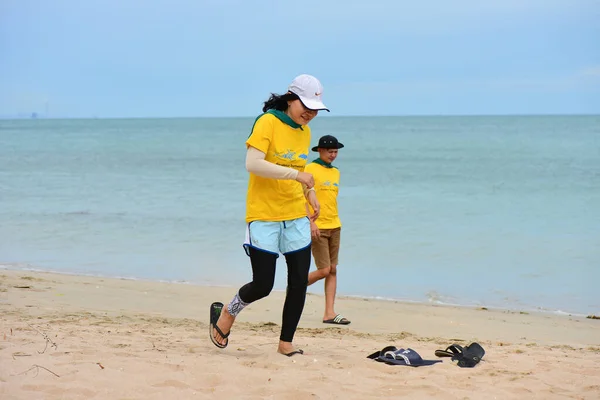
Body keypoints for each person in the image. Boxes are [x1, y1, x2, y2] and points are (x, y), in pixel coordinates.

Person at [209, 74, 329, 356]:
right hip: (264, 214)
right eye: (306, 106)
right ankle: (228, 311)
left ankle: (285, 343)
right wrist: (297, 174)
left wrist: (308, 192)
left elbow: (298, 171)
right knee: (263, 284)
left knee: (298, 282)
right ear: (291, 98)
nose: (310, 113)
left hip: (295, 215)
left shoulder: (305, 132)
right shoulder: (267, 122)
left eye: (315, 109)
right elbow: (253, 164)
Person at [304, 135, 350, 325]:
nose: (333, 155)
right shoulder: (309, 169)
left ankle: (329, 313)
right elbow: (302, 196)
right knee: (323, 270)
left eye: (336, 152)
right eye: (330, 151)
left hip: (335, 225)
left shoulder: (336, 172)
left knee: (332, 270)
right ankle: (297, 285)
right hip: (318, 226)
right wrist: (310, 222)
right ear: (320, 150)